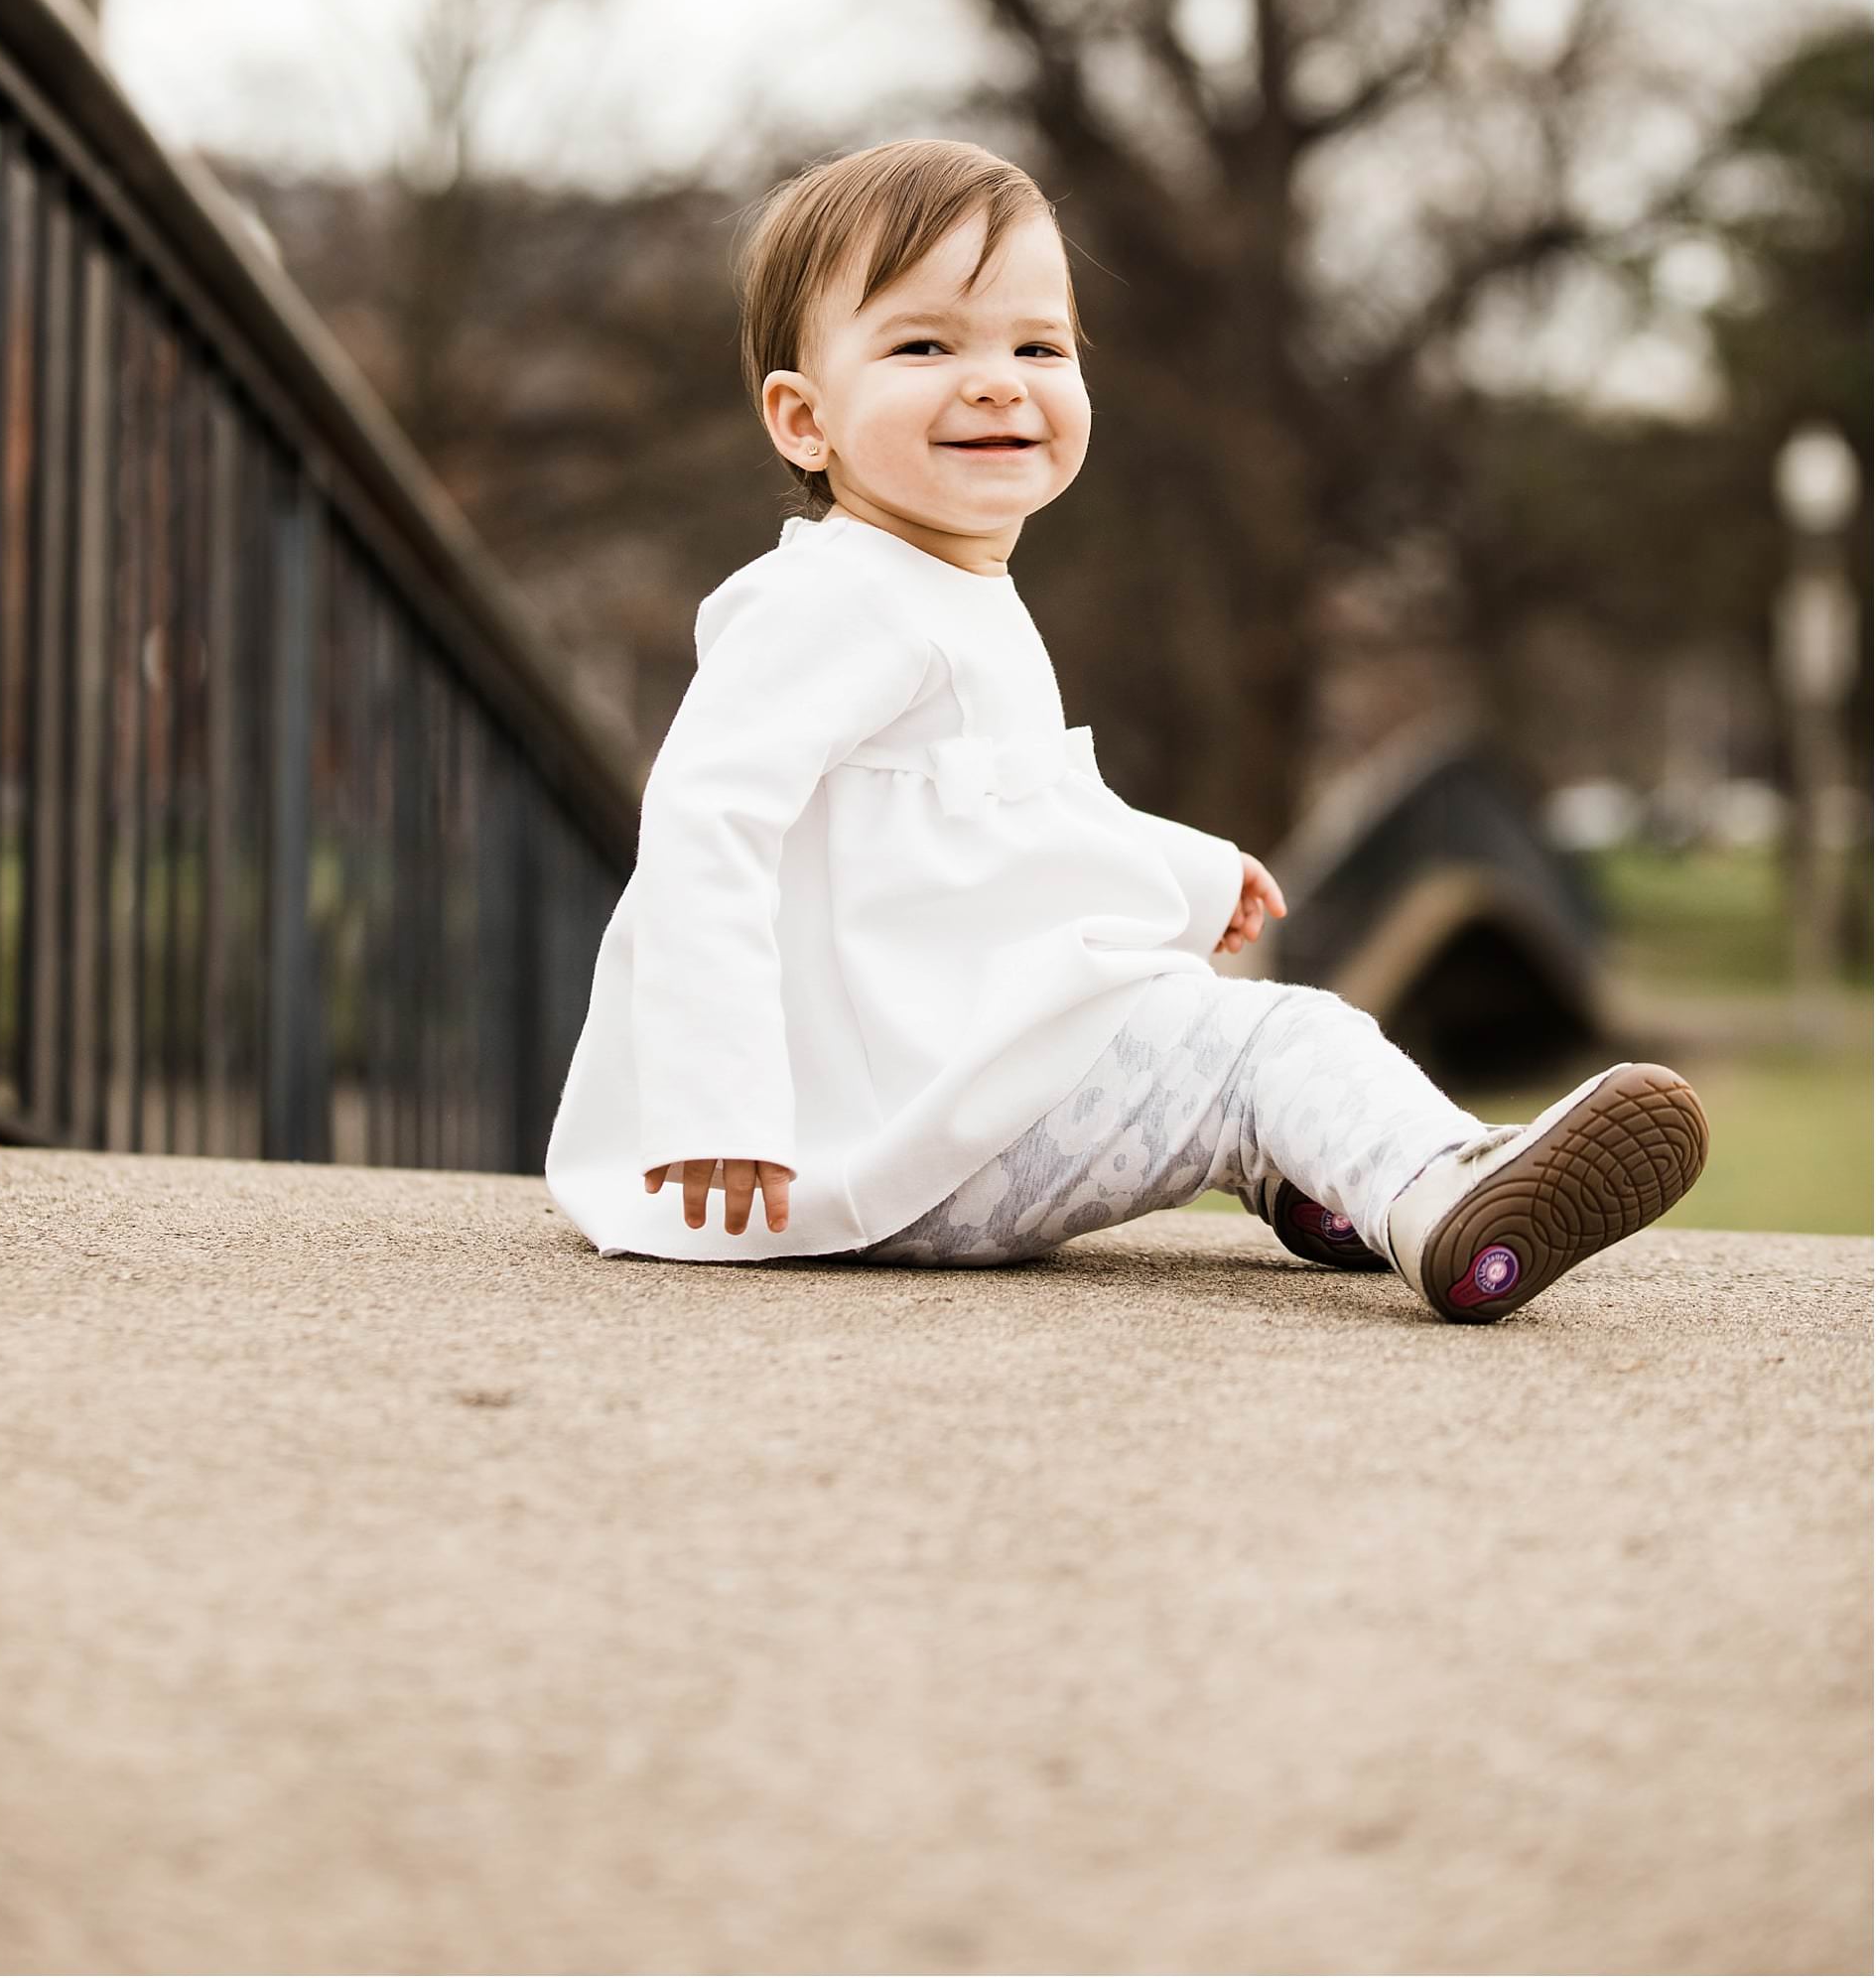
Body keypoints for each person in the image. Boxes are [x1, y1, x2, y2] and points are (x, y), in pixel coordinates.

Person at [544, 138, 1707, 1318]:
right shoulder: (832, 599)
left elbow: (1004, 806)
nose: (996, 379)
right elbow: (703, 822)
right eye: (923, 345)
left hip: (936, 1118)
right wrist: (718, 1094)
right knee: (1270, 1040)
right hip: (905, 1138)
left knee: (1222, 1054)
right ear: (803, 420)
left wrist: (1189, 871)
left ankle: (1337, 1176)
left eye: (1035, 345)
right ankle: (1433, 1193)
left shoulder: (943, 591)